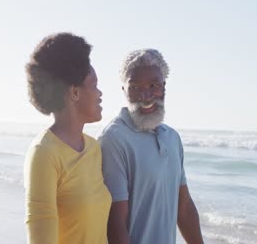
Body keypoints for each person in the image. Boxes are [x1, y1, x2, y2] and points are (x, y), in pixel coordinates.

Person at [98, 49, 204, 244]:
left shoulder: (172, 138)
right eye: (135, 87)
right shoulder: (113, 139)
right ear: (123, 90)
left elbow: (185, 208)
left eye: (153, 85)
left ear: (164, 86)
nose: (145, 96)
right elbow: (115, 221)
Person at [23, 32, 112, 244]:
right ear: (74, 92)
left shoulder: (93, 148)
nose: (100, 93)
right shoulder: (44, 154)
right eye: (94, 84)